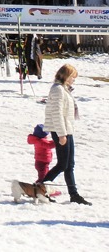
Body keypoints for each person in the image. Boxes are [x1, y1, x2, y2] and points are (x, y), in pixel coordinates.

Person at [41, 64, 90, 205]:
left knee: (69, 164)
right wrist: (62, 135)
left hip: (67, 130)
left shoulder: (63, 89)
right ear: (65, 76)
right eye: (72, 76)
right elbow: (57, 114)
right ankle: (40, 187)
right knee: (62, 164)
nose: (74, 79)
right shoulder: (57, 90)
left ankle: (74, 195)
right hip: (61, 131)